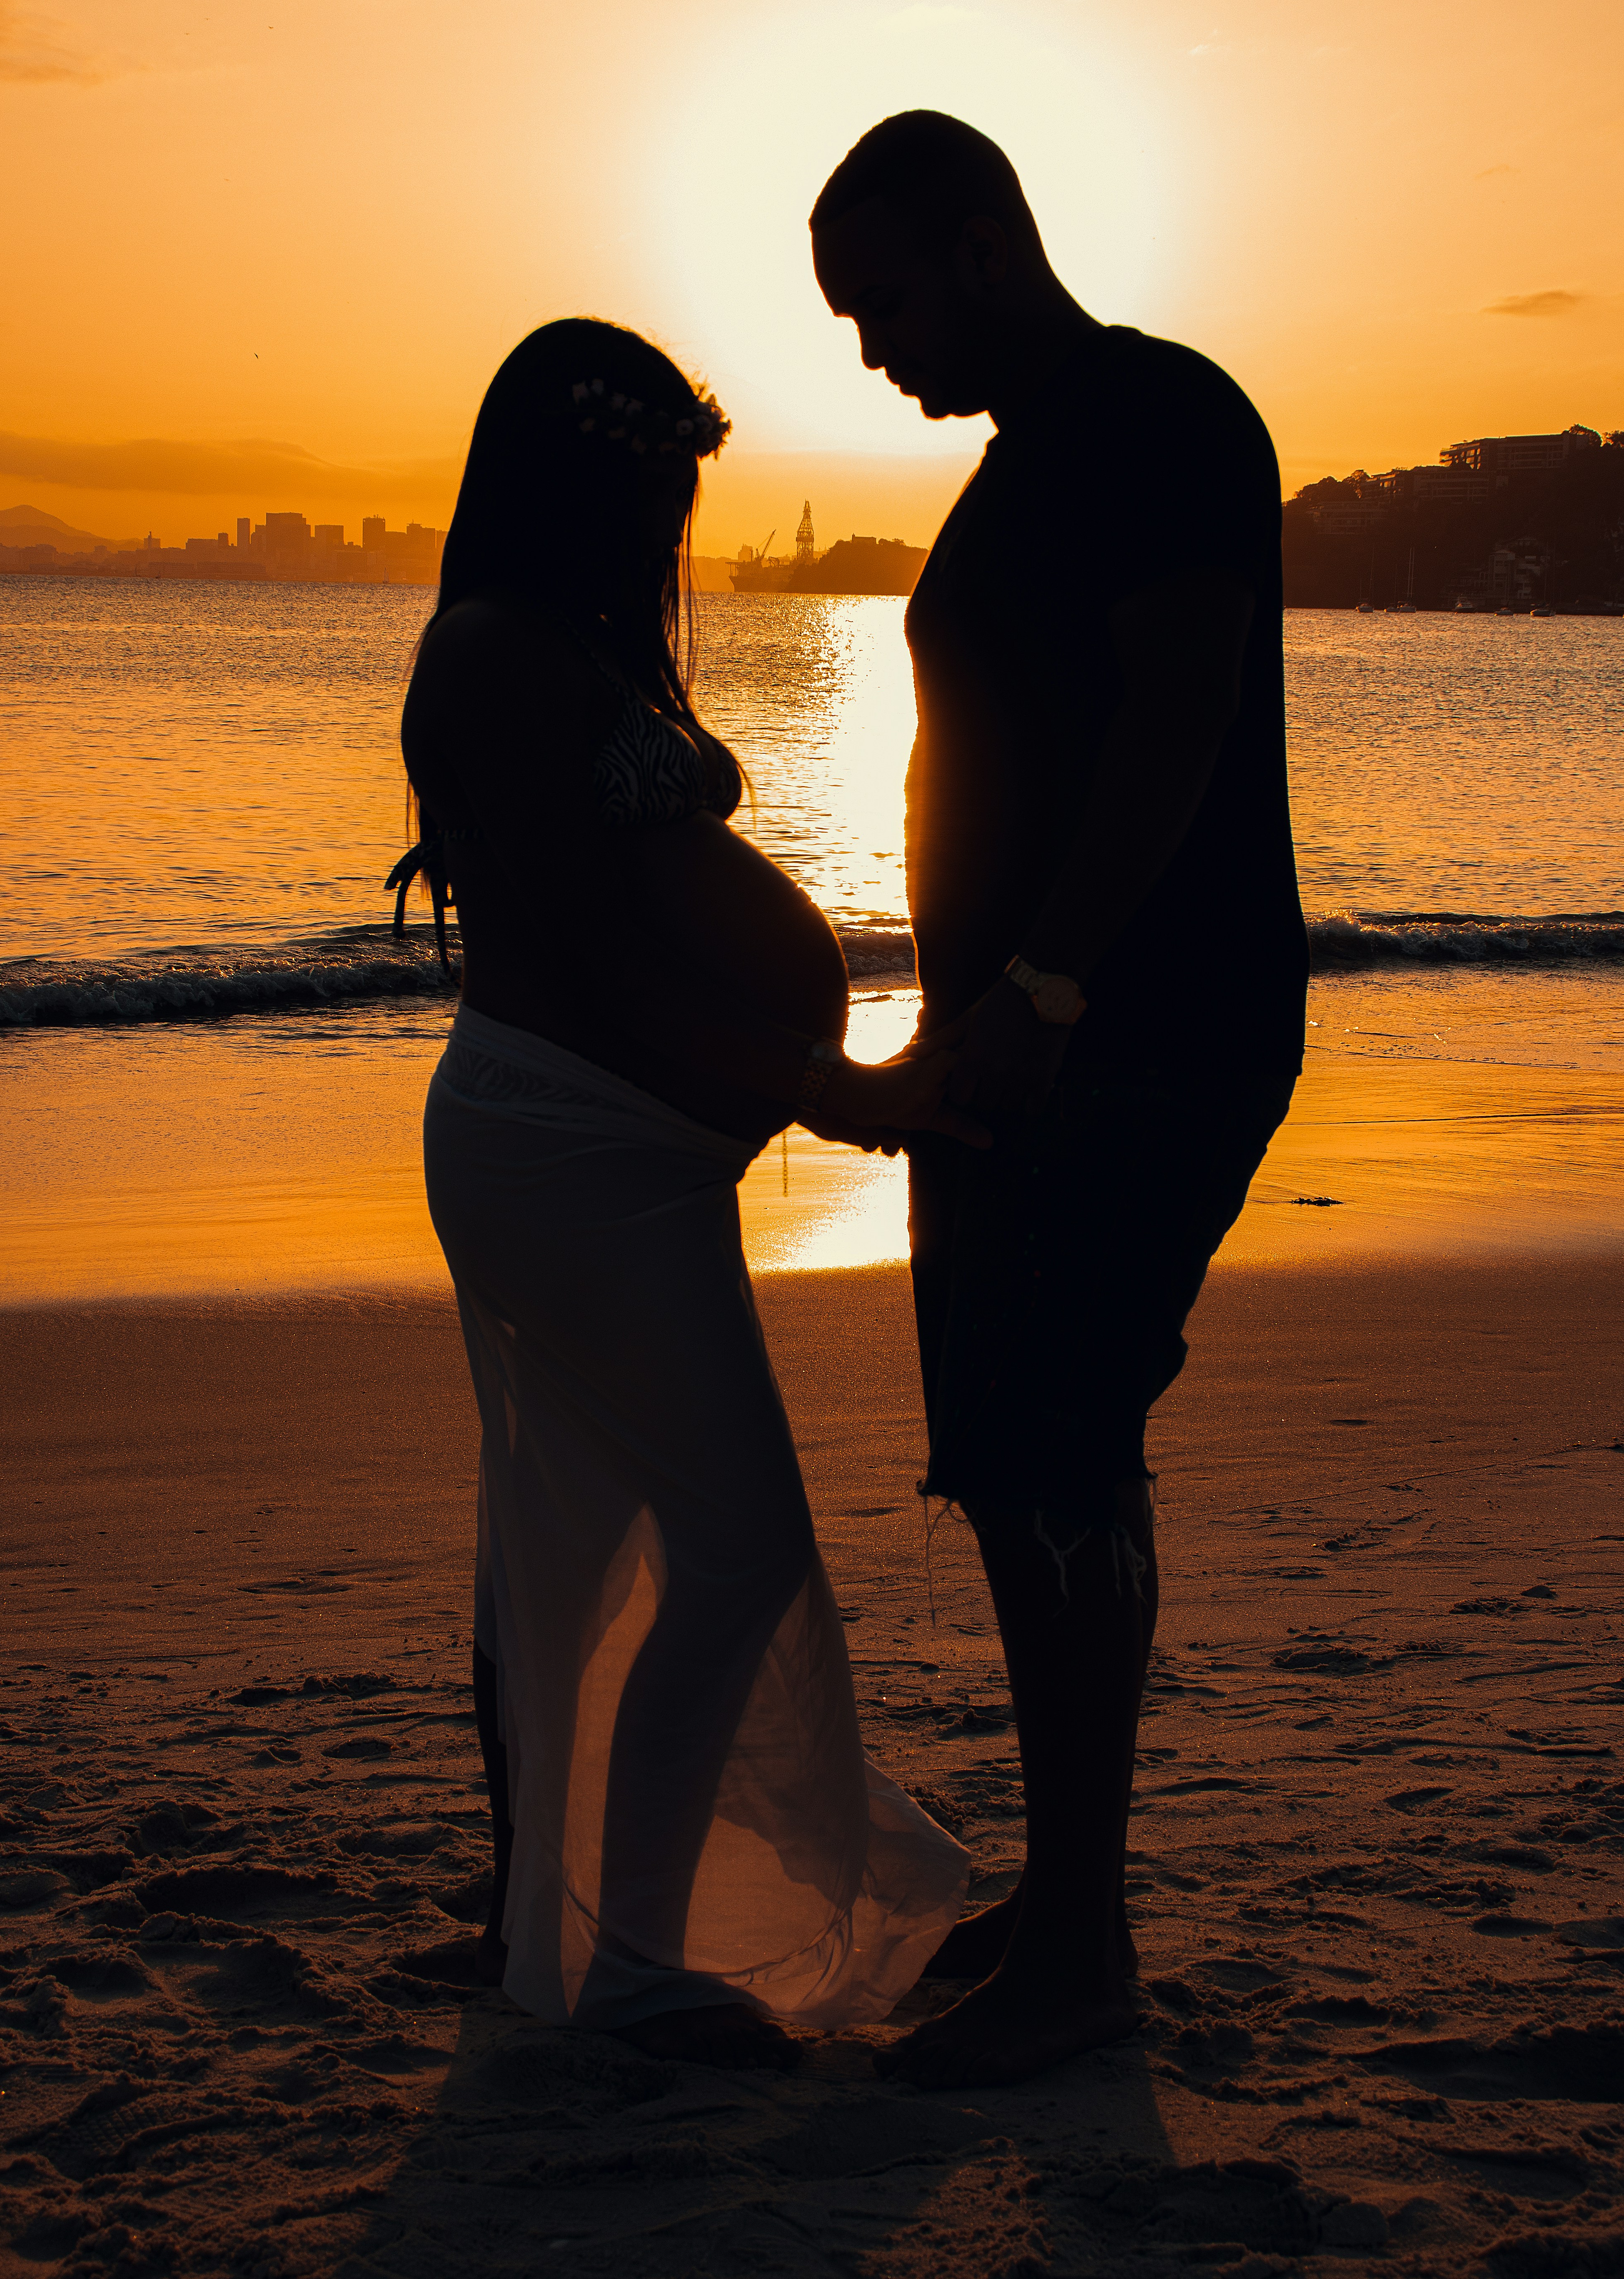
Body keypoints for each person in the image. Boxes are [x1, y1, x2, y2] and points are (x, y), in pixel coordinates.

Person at [399, 318, 979, 2070]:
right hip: (569, 1151)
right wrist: (821, 1087)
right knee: (729, 1552)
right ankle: (635, 1958)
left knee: (568, 1549)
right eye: (650, 486)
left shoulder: (574, 641)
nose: (672, 525)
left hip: (613, 1155)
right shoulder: (495, 655)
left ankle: (557, 1924)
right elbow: (590, 965)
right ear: (570, 475)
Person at [808, 112, 1310, 2087]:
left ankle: (1084, 1950)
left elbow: (1179, 716)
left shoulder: (1159, 417)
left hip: (1131, 1029)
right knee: (1033, 1455)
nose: (872, 350)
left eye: (885, 298)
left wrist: (1042, 987)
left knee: (1057, 1442)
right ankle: (1074, 1891)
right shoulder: (1026, 469)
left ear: (979, 233)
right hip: (1027, 1043)